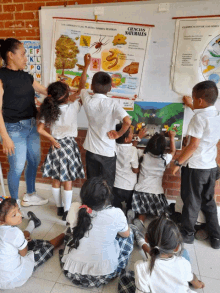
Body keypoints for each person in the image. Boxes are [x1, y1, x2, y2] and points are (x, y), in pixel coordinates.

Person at [37, 54, 91, 221]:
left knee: (56, 179)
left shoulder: (50, 109)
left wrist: (52, 140)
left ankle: (60, 208)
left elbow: (40, 129)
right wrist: (86, 66)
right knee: (67, 181)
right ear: (67, 96)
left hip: (56, 146)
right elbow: (81, 87)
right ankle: (67, 212)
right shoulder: (73, 106)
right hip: (68, 146)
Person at [59, 177, 134, 288]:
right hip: (104, 273)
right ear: (105, 199)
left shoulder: (75, 207)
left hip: (73, 271)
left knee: (72, 233)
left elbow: (72, 227)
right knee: (129, 233)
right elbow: (126, 235)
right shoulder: (116, 213)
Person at [171, 80, 220, 249]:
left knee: (191, 201)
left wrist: (178, 162)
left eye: (193, 98)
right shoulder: (216, 115)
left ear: (199, 100)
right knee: (209, 202)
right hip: (211, 167)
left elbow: (193, 145)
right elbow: (203, 118)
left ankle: (188, 234)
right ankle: (216, 238)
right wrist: (191, 104)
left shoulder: (198, 119)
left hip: (196, 168)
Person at [0, 38, 48, 207]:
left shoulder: (26, 76)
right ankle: (13, 204)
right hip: (12, 129)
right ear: (10, 55)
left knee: (35, 160)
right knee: (18, 166)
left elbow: (44, 90)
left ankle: (30, 194)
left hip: (31, 126)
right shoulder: (1, 77)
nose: (25, 58)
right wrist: (5, 137)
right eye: (22, 54)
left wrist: (64, 92)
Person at [118, 214, 205, 293]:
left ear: (146, 238)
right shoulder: (184, 263)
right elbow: (192, 277)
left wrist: (142, 243)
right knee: (185, 253)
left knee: (125, 276)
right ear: (177, 247)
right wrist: (197, 284)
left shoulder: (141, 267)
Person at [80, 71, 131, 188]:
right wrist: (119, 134)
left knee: (92, 183)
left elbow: (81, 85)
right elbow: (127, 121)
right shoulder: (113, 103)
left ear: (92, 86)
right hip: (107, 152)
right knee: (107, 185)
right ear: (110, 88)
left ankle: (92, 205)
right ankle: (106, 205)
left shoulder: (88, 100)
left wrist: (86, 65)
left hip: (91, 150)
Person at [0, 198, 65, 289]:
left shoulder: (7, 229)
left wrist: (23, 241)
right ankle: (67, 232)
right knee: (48, 247)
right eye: (14, 215)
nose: (19, 214)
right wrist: (24, 243)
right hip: (14, 277)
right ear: (2, 220)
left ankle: (33, 223)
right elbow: (24, 253)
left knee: (25, 240)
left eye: (18, 209)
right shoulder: (15, 233)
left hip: (2, 278)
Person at [129, 131, 176, 231]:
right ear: (162, 148)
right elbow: (173, 151)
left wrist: (138, 137)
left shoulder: (142, 155)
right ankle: (160, 223)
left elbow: (132, 148)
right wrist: (172, 137)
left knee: (142, 211)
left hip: (141, 192)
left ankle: (140, 220)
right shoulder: (164, 159)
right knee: (160, 212)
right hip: (156, 194)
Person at [112, 124, 147, 212]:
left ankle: (117, 214)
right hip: (129, 187)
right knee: (130, 206)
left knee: (116, 206)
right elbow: (135, 170)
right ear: (126, 139)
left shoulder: (113, 146)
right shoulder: (133, 150)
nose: (133, 135)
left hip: (116, 184)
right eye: (132, 134)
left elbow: (128, 148)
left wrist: (138, 138)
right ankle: (129, 214)